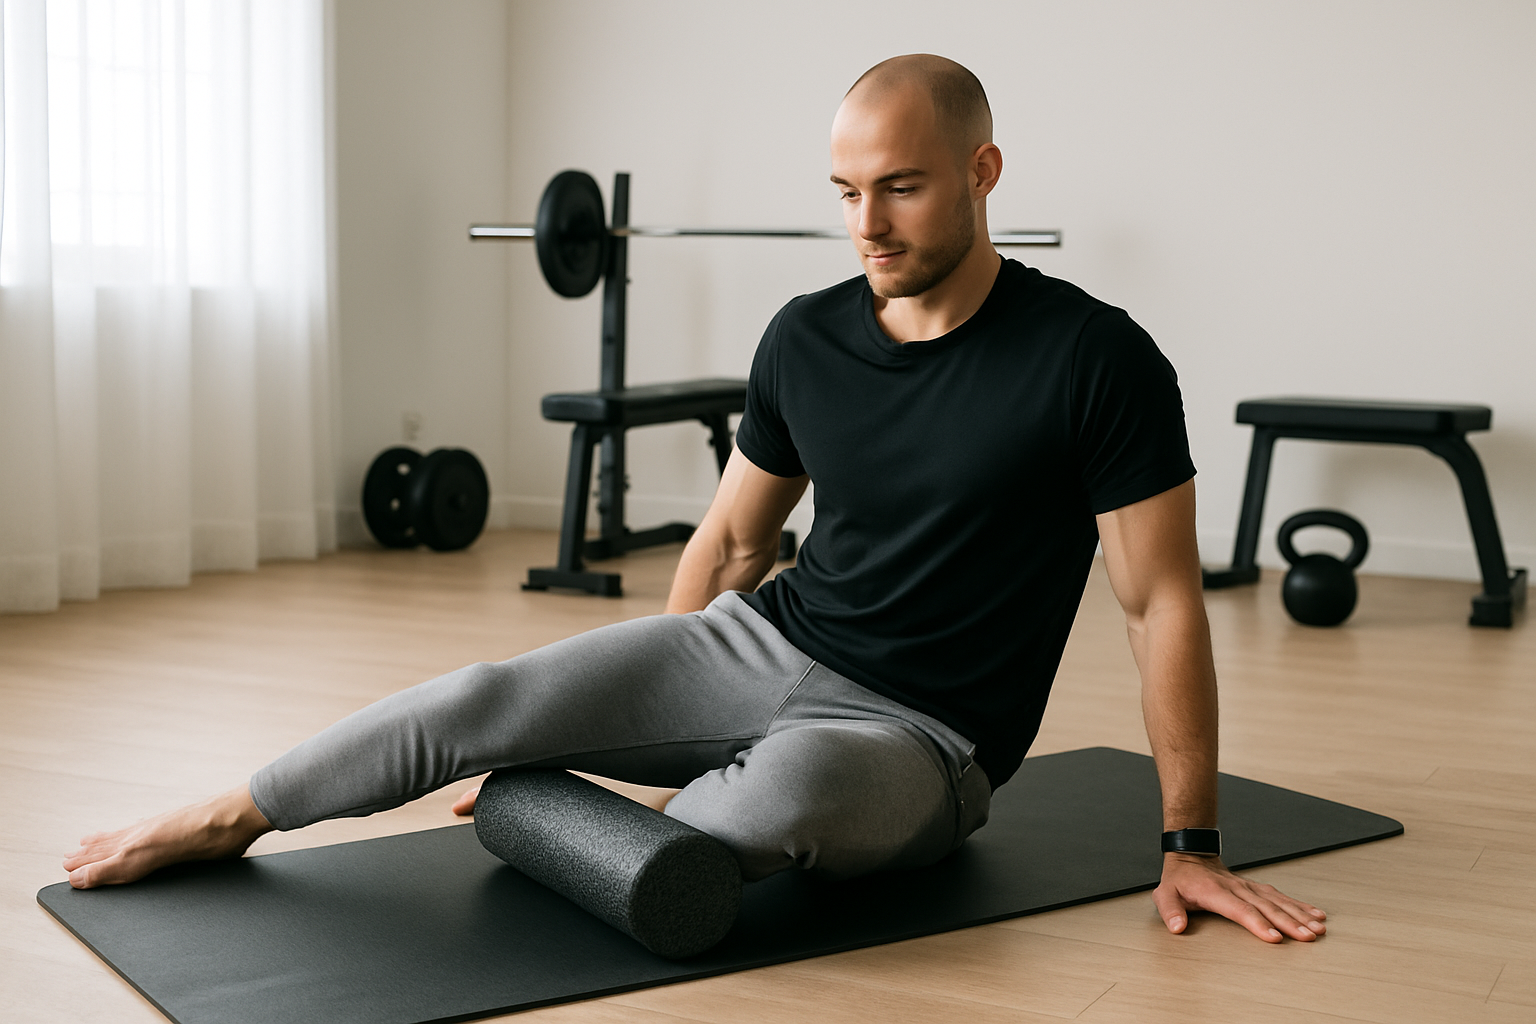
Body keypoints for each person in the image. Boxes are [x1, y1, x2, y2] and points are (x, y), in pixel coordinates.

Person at [64, 54, 1326, 944]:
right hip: (764, 646)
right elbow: (731, 539)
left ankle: (574, 806)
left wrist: (1192, 846)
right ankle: (231, 813)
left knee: (780, 798)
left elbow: (1161, 603)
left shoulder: (1096, 359)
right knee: (484, 698)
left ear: (983, 169)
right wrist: (657, 694)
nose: (868, 224)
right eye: (846, 192)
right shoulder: (807, 337)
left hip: (923, 738)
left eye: (901, 186)